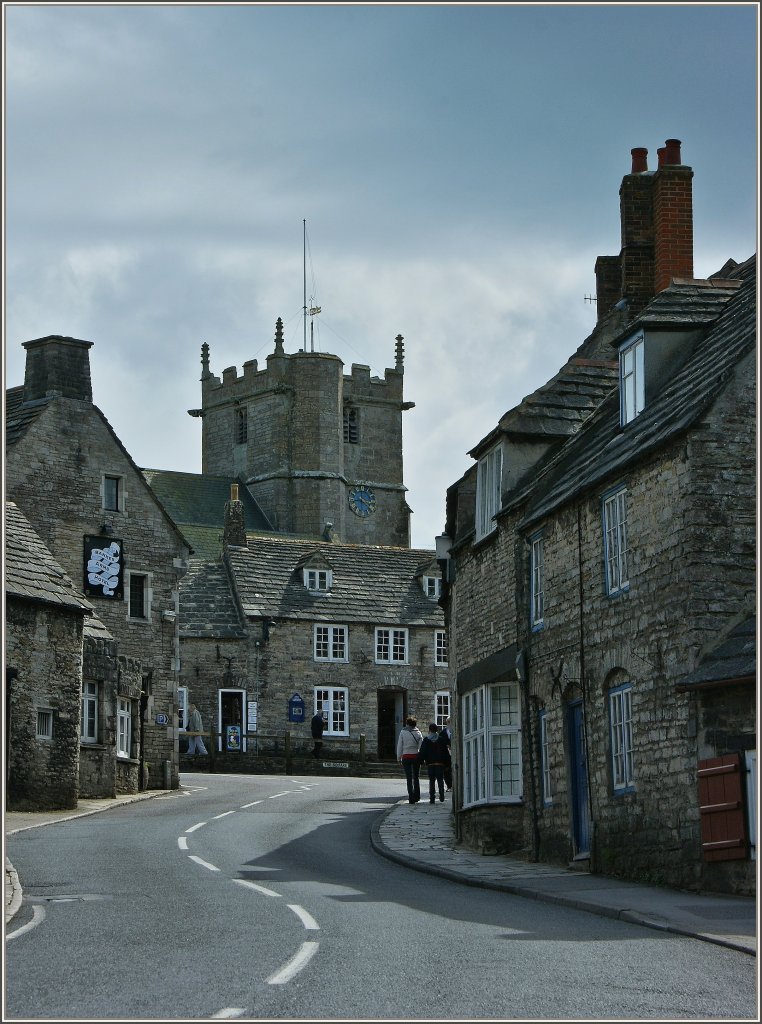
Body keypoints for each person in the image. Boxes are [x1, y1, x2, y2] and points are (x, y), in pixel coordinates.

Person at [418, 722, 451, 803]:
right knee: (440, 780)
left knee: (431, 781)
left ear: (429, 730)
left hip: (430, 764)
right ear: (437, 730)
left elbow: (422, 752)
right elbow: (445, 753)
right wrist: (448, 764)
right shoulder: (441, 740)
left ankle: (432, 797)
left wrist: (421, 761)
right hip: (440, 764)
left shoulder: (426, 740)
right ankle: (441, 794)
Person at [396, 716, 423, 803]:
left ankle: (411, 797)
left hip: (406, 756)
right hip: (415, 756)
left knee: (409, 777)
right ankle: (417, 796)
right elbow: (421, 746)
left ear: (407, 723)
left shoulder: (403, 732)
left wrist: (398, 757)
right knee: (416, 777)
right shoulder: (418, 733)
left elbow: (400, 745)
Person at [440, 717, 453, 791]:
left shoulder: (456, 731)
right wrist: (446, 745)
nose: (450, 724)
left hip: (455, 754)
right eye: (449, 722)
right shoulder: (443, 732)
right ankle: (449, 786)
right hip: (446, 755)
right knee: (446, 771)